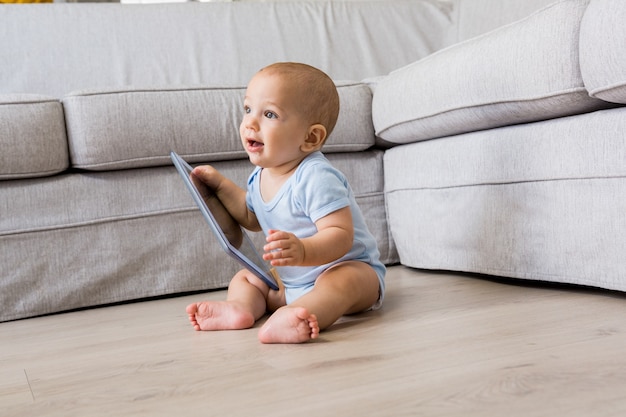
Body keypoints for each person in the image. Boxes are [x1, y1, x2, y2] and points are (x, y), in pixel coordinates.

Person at [186, 62, 385, 344]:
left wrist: (302, 251)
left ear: (310, 137)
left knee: (344, 282)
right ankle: (241, 309)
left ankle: (299, 314)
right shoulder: (261, 175)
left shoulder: (316, 176)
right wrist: (220, 186)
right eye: (247, 109)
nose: (250, 123)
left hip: (347, 269)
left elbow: (340, 236)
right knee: (247, 278)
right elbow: (251, 216)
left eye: (269, 114)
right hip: (292, 281)